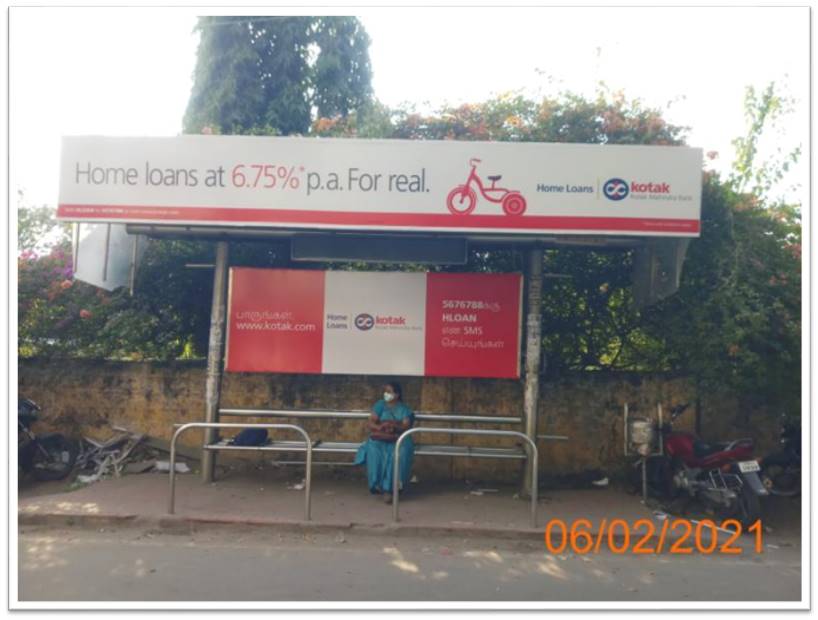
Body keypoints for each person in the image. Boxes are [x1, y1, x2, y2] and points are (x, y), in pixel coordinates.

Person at [353, 381, 415, 503]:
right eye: (385, 392)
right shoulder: (380, 405)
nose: (386, 394)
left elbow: (406, 426)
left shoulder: (404, 409)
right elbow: (371, 422)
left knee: (398, 454)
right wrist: (380, 427)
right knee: (373, 448)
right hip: (381, 437)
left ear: (397, 395)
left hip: (398, 439)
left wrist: (394, 427)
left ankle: (391, 489)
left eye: (389, 392)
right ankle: (377, 484)